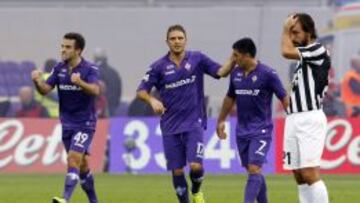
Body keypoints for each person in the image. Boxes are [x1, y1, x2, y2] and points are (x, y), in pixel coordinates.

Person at [137, 24, 234, 203]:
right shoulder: (158, 67)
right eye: (173, 39)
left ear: (186, 40)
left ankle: (197, 192)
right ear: (167, 42)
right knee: (178, 170)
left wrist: (233, 58)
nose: (177, 42)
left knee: (196, 166)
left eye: (180, 38)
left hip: (193, 122)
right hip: (170, 125)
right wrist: (152, 100)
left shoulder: (197, 59)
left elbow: (221, 72)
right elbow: (141, 91)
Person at [216, 38, 288, 203]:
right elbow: (230, 97)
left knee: (255, 168)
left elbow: (284, 97)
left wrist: (293, 119)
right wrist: (220, 120)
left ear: (247, 55)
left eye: (236, 55)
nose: (233, 59)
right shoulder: (235, 74)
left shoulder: (268, 74)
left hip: (261, 130)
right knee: (252, 170)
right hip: (242, 130)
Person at [31, 32, 100, 203]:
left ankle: (64, 199)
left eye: (68, 47)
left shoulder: (90, 69)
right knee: (82, 165)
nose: (63, 50)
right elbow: (45, 90)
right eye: (62, 46)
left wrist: (80, 83)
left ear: (78, 50)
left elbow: (96, 90)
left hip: (85, 123)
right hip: (67, 123)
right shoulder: (59, 68)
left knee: (72, 158)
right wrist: (38, 82)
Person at [281, 13, 331, 203]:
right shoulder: (303, 60)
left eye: (296, 32)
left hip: (309, 118)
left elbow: (285, 52)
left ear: (309, 32)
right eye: (291, 32)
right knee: (299, 174)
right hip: (294, 118)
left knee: (309, 172)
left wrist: (285, 30)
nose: (292, 37)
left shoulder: (318, 49)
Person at [94, 48, 122, 116]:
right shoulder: (114, 73)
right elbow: (119, 90)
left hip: (101, 109)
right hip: (114, 107)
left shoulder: (95, 72)